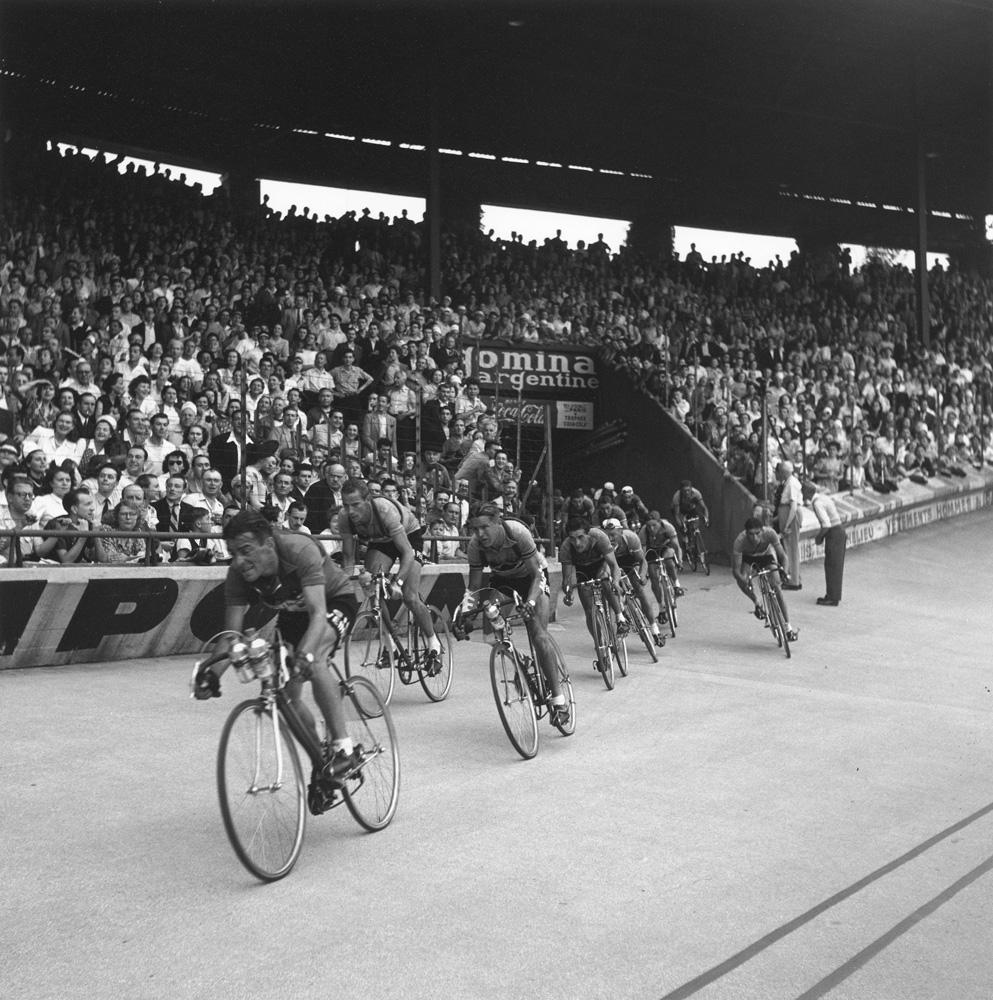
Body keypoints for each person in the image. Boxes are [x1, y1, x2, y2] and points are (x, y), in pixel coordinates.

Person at [193, 510, 362, 806]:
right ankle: (321, 764)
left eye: (246, 551)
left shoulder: (299, 549)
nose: (239, 561)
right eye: (232, 553)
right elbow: (230, 636)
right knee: (285, 695)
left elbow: (318, 615)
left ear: (269, 544)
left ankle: (343, 749)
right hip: (291, 615)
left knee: (314, 660)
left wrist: (305, 655)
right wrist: (211, 674)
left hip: (331, 603)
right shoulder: (237, 574)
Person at [460, 501, 569, 724]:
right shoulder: (475, 546)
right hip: (503, 581)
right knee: (489, 630)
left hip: (532, 579)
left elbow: (537, 576)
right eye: (475, 529)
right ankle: (523, 662)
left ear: (497, 522)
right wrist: (465, 613)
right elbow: (473, 587)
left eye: (484, 528)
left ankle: (559, 701)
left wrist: (529, 601)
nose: (479, 534)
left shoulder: (517, 532)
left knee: (538, 634)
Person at [337, 476, 442, 670]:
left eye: (356, 504)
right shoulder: (344, 517)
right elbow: (348, 558)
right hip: (381, 543)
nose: (350, 511)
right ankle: (390, 646)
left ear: (368, 500)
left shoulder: (385, 510)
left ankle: (433, 643)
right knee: (373, 590)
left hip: (409, 539)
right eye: (346, 505)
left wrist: (397, 582)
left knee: (410, 597)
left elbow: (406, 553)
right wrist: (347, 583)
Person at [559, 516, 630, 662]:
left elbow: (614, 566)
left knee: (604, 579)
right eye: (572, 538)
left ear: (588, 533)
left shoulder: (599, 536)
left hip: (601, 565)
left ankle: (620, 618)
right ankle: (600, 645)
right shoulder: (566, 547)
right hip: (582, 571)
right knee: (589, 611)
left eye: (580, 537)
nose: (576, 543)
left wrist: (616, 583)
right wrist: (568, 592)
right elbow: (566, 578)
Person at [731, 516, 798, 642]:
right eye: (751, 534)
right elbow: (736, 571)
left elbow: (783, 556)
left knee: (777, 586)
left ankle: (788, 627)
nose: (754, 538)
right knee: (742, 580)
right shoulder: (740, 541)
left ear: (762, 530)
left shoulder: (770, 533)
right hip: (747, 557)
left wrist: (785, 571)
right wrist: (744, 581)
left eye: (757, 533)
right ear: (746, 533)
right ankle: (756, 601)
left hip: (765, 554)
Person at [601, 518, 663, 645]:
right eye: (607, 536)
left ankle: (654, 629)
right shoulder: (602, 544)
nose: (610, 539)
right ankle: (621, 613)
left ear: (621, 531)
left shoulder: (631, 537)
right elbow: (606, 568)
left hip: (629, 561)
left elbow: (642, 561)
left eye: (613, 535)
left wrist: (642, 576)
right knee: (609, 587)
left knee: (639, 590)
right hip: (612, 564)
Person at [802, 478, 846, 606]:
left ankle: (832, 597)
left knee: (832, 565)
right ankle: (833, 595)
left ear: (807, 493)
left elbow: (826, 524)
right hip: (838, 531)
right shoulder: (823, 497)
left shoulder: (817, 503)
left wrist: (819, 537)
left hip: (833, 532)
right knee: (835, 565)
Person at [639, 510, 684, 618]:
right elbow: (643, 554)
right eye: (649, 526)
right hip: (651, 551)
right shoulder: (643, 532)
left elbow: (677, 546)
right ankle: (661, 607)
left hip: (665, 547)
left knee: (669, 561)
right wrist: (644, 571)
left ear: (660, 522)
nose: (651, 529)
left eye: (654, 525)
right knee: (653, 577)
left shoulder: (668, 527)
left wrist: (680, 560)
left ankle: (677, 585)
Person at [773, 460, 802, 589]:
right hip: (786, 514)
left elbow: (793, 507)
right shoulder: (789, 482)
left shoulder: (791, 484)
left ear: (784, 472)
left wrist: (786, 525)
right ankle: (793, 577)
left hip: (790, 516)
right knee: (788, 547)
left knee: (791, 548)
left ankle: (793, 580)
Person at [671, 479, 710, 551]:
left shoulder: (696, 493)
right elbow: (677, 514)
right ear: (681, 490)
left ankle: (695, 537)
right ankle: (685, 542)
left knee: (695, 521)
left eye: (688, 490)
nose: (686, 492)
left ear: (691, 489)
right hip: (681, 511)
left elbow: (704, 507)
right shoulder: (677, 497)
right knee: (683, 527)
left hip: (691, 508)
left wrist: (706, 518)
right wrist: (682, 526)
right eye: (684, 491)